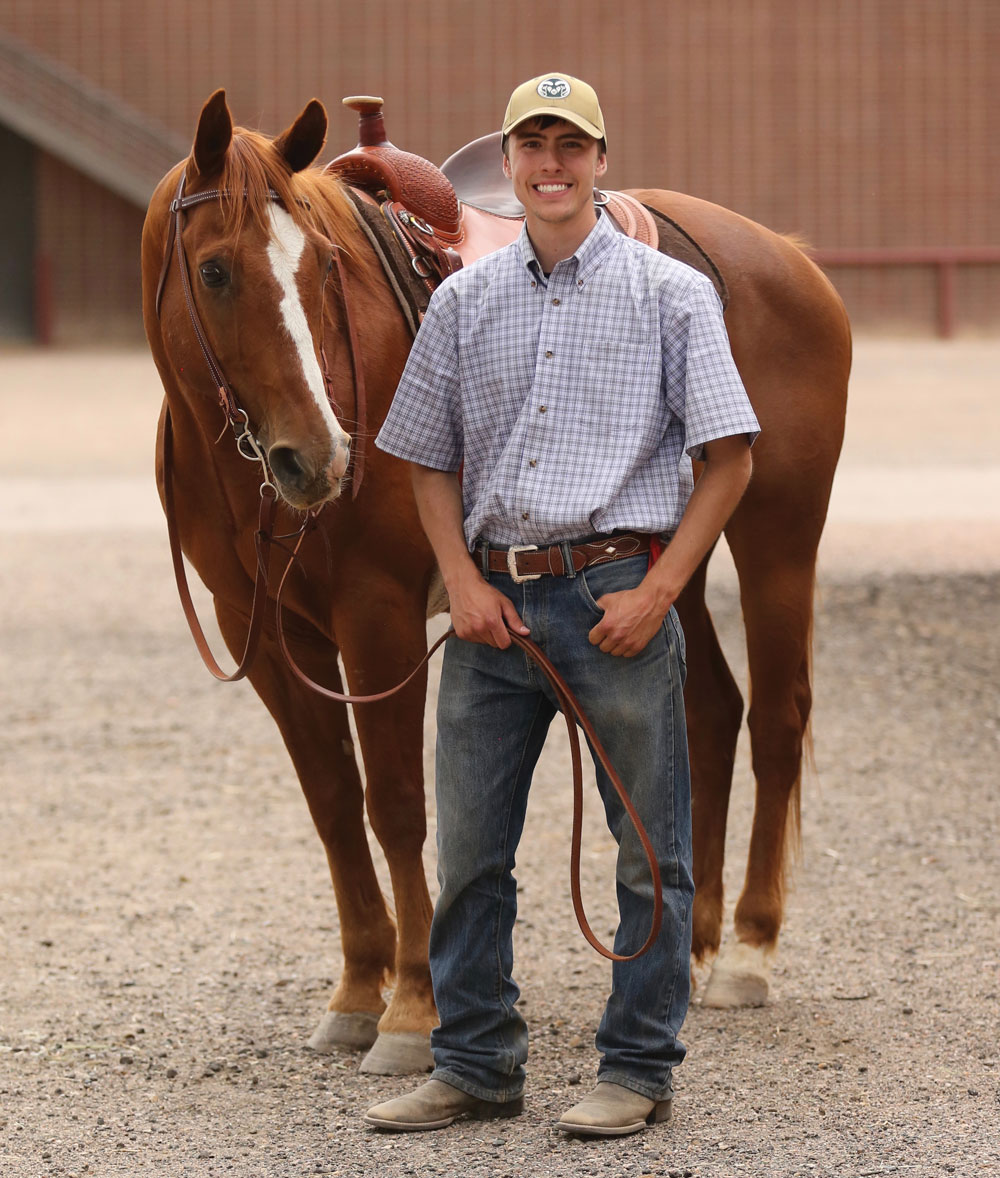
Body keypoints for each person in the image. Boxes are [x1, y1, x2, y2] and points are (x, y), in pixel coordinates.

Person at [365, 71, 759, 1137]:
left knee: (650, 851)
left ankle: (636, 1067)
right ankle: (475, 1062)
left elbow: (729, 459)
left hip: (615, 594)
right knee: (473, 849)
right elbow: (427, 462)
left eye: (569, 145)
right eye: (532, 145)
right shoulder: (460, 302)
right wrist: (457, 578)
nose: (549, 164)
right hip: (491, 599)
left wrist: (661, 589)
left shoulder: (670, 293)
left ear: (597, 158)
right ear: (507, 157)